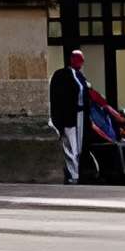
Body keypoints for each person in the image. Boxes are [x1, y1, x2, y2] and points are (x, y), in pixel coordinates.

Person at [49, 44, 95, 183]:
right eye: (77, 59)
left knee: (79, 147)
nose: (80, 62)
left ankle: (76, 173)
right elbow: (59, 98)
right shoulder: (62, 75)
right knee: (71, 146)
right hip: (69, 116)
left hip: (80, 116)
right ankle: (73, 175)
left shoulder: (80, 77)